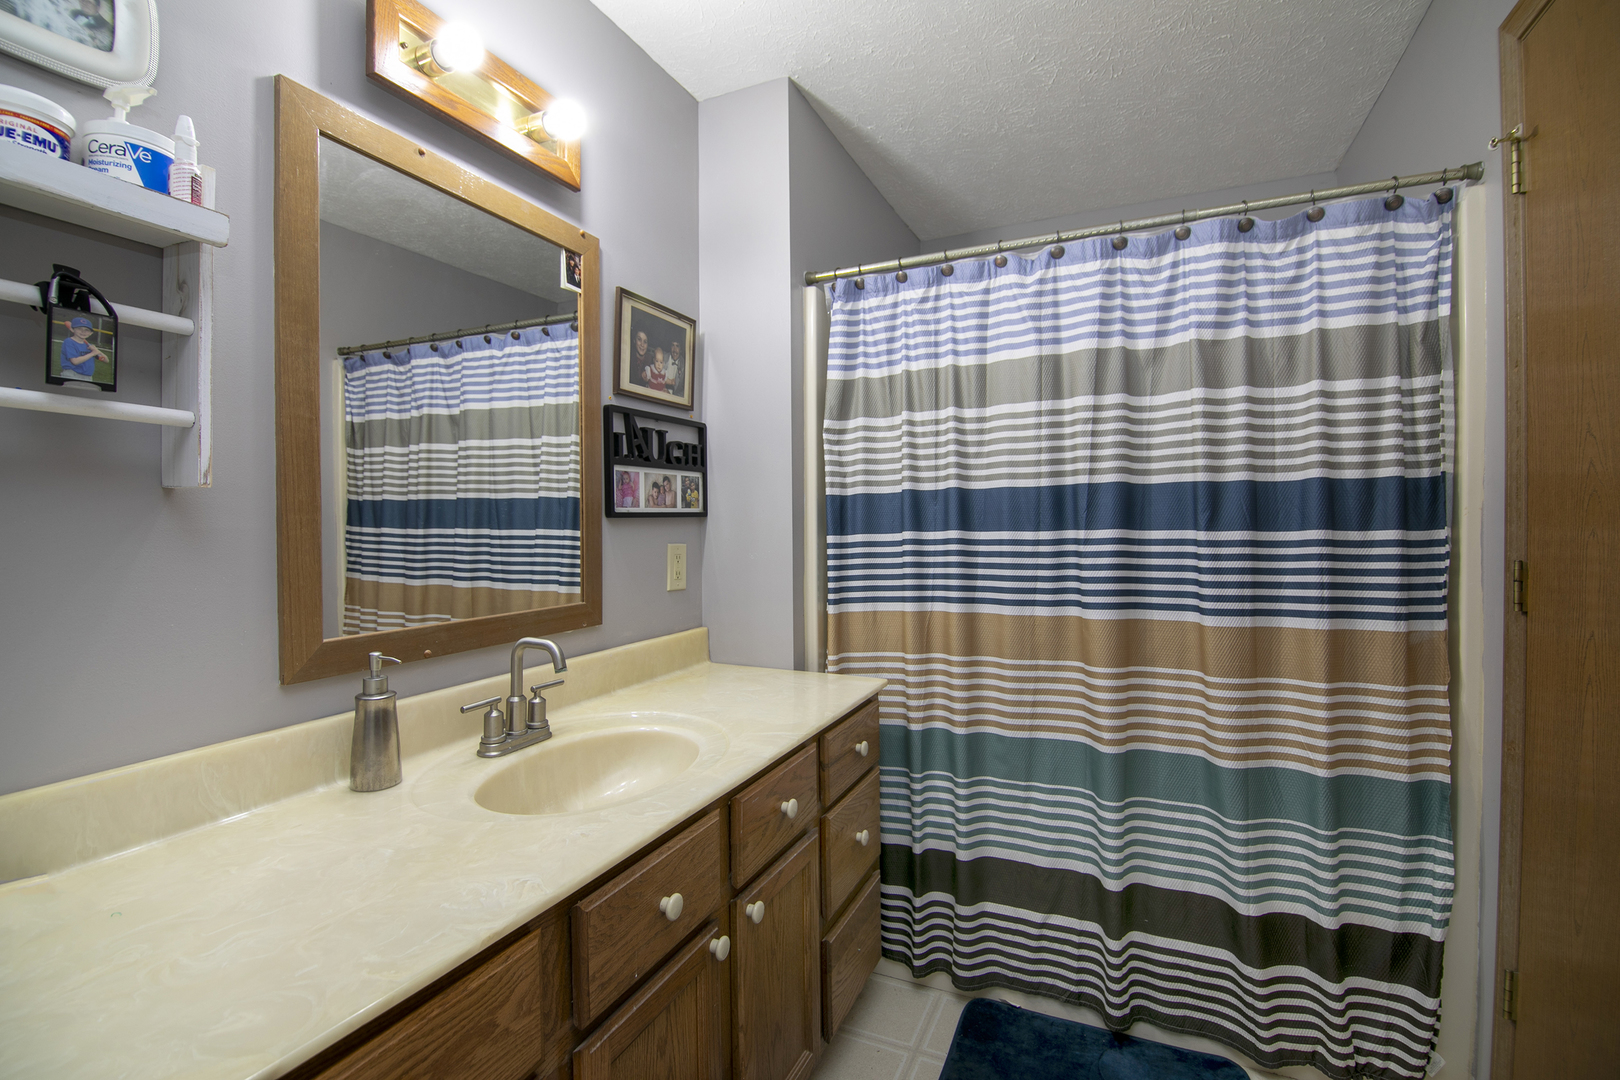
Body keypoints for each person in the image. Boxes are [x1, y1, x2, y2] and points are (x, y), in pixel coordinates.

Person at [58, 315, 106, 380]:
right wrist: (92, 353)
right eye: (79, 328)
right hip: (72, 374)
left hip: (88, 376)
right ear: (72, 329)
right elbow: (75, 361)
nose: (83, 332)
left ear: (91, 333)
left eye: (87, 330)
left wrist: (96, 350)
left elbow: (106, 360)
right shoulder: (69, 342)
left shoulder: (89, 346)